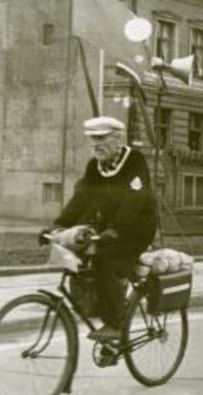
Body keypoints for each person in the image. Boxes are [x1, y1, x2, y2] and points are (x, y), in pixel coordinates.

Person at [47, 116, 157, 341]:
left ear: (118, 138)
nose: (96, 144)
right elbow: (82, 199)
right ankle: (100, 307)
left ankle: (115, 323)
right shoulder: (94, 167)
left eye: (101, 138)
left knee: (104, 260)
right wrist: (59, 225)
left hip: (136, 229)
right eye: (92, 139)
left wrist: (116, 229)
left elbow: (133, 201)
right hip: (108, 228)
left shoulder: (134, 161)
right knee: (81, 258)